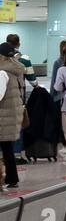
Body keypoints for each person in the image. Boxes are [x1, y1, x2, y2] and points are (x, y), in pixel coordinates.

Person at [0, 42, 26, 188]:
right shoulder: (15, 69)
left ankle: (9, 177)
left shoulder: (2, 72)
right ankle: (11, 177)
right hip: (10, 114)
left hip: (3, 116)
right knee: (7, 149)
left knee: (6, 149)